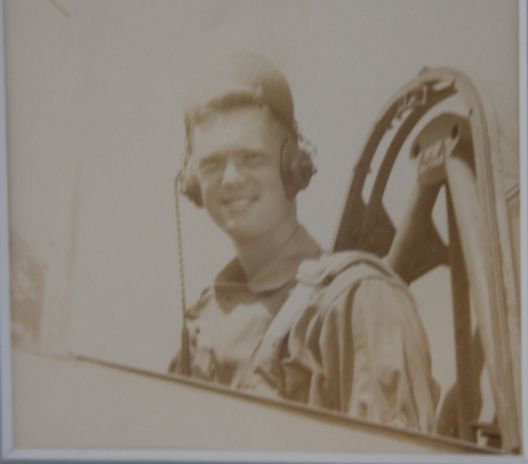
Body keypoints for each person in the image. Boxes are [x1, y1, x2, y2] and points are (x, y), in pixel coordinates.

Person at [169, 52, 439, 433]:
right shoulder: (203, 323)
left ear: (293, 166)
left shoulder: (358, 303)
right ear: (193, 182)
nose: (230, 179)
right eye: (212, 164)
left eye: (251, 157)